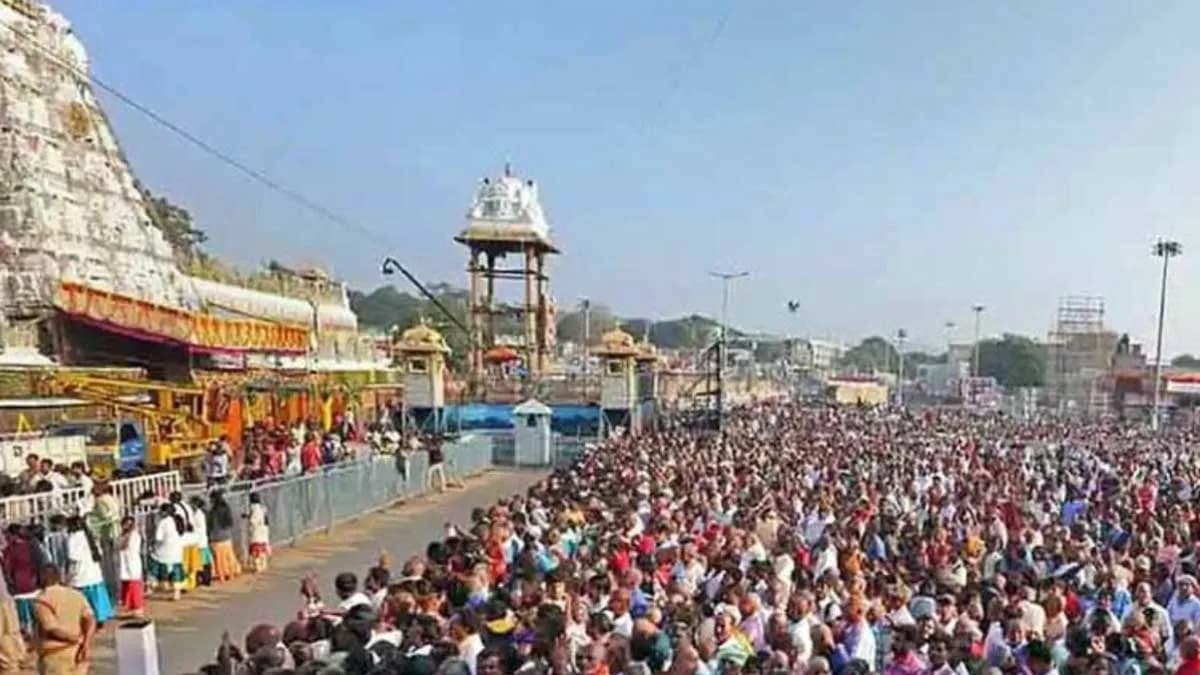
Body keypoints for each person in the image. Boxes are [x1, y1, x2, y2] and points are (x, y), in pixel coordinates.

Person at [33, 564, 96, 675]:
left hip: (55, 655)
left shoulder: (42, 600)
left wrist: (75, 639)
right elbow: (90, 619)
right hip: (78, 653)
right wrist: (86, 643)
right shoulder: (77, 595)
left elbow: (51, 629)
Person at [64, 517, 111, 626]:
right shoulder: (90, 535)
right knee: (96, 601)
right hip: (93, 573)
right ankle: (99, 620)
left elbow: (72, 556)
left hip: (81, 574)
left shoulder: (73, 538)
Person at [149, 503, 184, 601]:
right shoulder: (178, 520)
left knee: (154, 561)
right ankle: (177, 593)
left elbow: (158, 538)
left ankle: (154, 584)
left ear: (165, 512)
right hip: (177, 550)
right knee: (176, 570)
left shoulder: (163, 522)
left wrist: (152, 544)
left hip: (164, 550)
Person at [208, 492, 241, 582]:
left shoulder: (212, 512)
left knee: (219, 559)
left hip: (216, 538)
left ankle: (222, 577)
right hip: (227, 537)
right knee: (229, 557)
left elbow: (211, 526)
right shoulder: (226, 509)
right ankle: (231, 574)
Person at [117, 516, 144, 618]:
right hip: (125, 564)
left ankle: (138, 608)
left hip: (132, 564)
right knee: (127, 586)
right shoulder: (122, 535)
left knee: (134, 587)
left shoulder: (134, 535)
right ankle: (129, 607)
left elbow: (124, 546)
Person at [246, 492, 271, 573]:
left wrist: (248, 518)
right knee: (262, 550)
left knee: (256, 552)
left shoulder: (254, 508)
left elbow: (253, 521)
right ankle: (263, 565)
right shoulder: (263, 508)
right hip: (264, 530)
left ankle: (258, 567)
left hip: (257, 532)